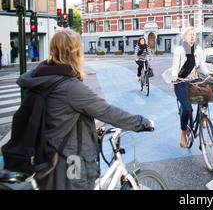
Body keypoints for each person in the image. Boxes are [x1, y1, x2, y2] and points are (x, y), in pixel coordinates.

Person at [16, 29, 154, 190]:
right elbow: (107, 111)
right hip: (70, 165)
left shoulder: (44, 79)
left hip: (49, 161)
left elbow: (61, 119)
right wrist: (143, 123)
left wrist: (91, 128)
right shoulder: (69, 87)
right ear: (75, 53)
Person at [169, 27, 213, 148]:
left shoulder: (198, 50)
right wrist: (174, 76)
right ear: (185, 36)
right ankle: (183, 135)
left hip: (194, 80)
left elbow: (202, 66)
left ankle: (203, 117)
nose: (192, 36)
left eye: (194, 34)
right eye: (190, 34)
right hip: (181, 82)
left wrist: (208, 73)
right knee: (187, 109)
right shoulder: (179, 50)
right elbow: (175, 67)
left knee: (207, 93)